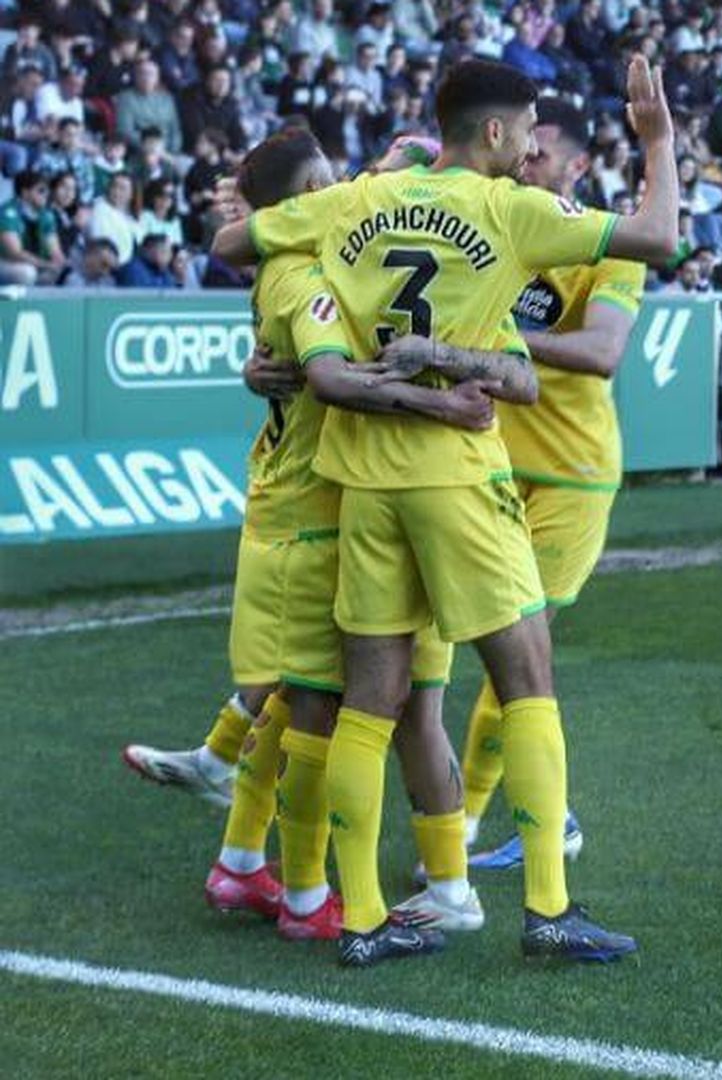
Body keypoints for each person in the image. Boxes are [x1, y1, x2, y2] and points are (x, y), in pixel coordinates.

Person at [211, 56, 679, 967]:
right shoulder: (510, 209)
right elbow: (659, 238)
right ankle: (547, 908)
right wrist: (657, 139)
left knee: (370, 703)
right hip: (458, 470)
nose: (536, 141)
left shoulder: (352, 200)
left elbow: (237, 246)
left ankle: (360, 918)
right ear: (495, 133)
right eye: (529, 127)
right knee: (525, 679)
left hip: (362, 482)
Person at [121, 129, 507, 943]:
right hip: (318, 511)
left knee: (330, 707)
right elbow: (330, 376)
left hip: (341, 506)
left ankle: (240, 845)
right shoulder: (305, 274)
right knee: (324, 715)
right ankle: (305, 895)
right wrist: (445, 400)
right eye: (334, 181)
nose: (352, 191)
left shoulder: (315, 260)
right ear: (305, 200)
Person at [459, 99, 650, 873]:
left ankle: (467, 828)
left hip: (571, 476)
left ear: (575, 163)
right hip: (489, 462)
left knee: (515, 644)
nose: (527, 166)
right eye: (523, 154)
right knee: (459, 644)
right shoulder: (490, 228)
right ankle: (530, 814)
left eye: (543, 157)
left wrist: (490, 338)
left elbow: (602, 351)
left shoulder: (607, 244)